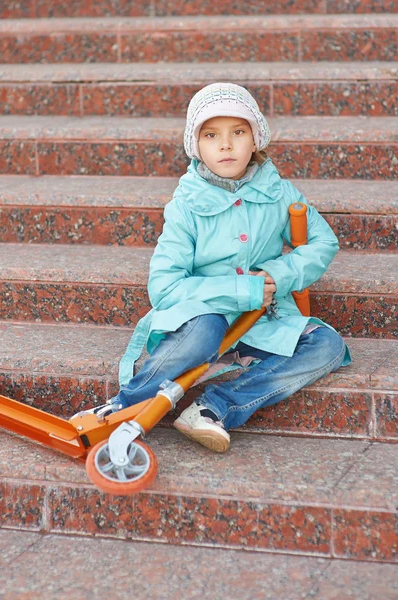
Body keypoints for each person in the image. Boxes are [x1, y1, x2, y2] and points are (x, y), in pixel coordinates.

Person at [89, 82, 351, 453]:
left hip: (261, 320)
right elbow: (164, 287)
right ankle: (125, 404)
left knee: (327, 343)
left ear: (256, 138)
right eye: (211, 135)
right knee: (205, 327)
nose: (225, 145)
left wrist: (280, 273)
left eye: (238, 132)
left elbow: (324, 242)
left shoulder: (278, 192)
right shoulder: (187, 204)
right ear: (196, 145)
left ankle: (215, 406)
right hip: (202, 318)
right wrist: (238, 290)